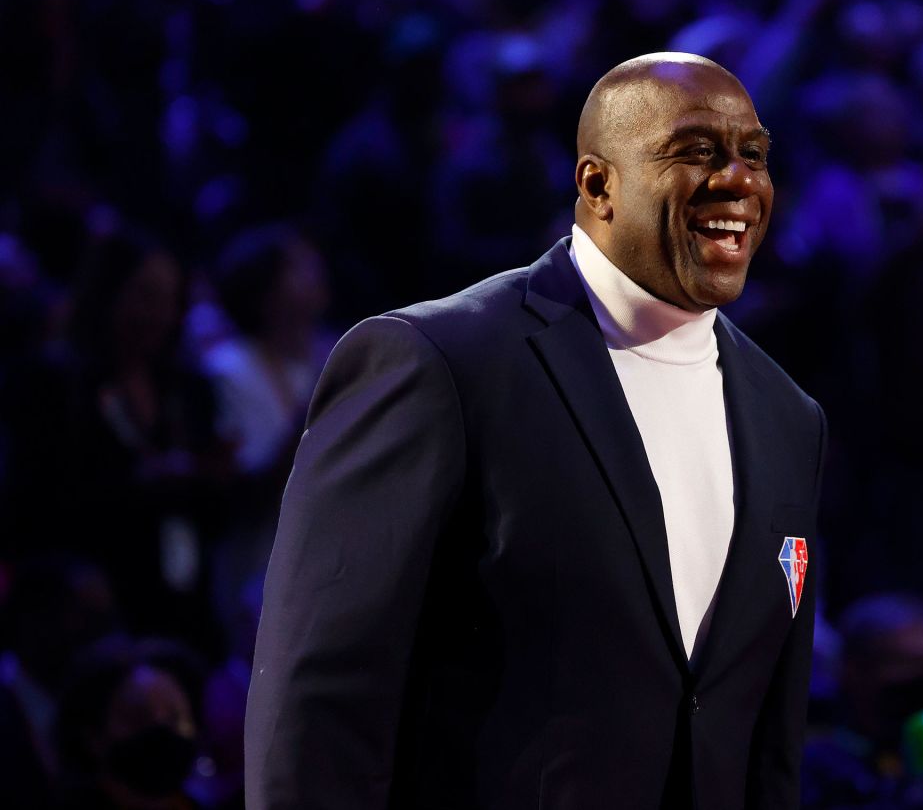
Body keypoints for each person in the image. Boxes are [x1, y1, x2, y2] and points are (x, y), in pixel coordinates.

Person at [245, 53, 827, 809]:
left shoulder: (789, 417)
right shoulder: (438, 363)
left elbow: (763, 747)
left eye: (754, 153)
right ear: (597, 184)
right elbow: (320, 700)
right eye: (697, 151)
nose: (739, 181)